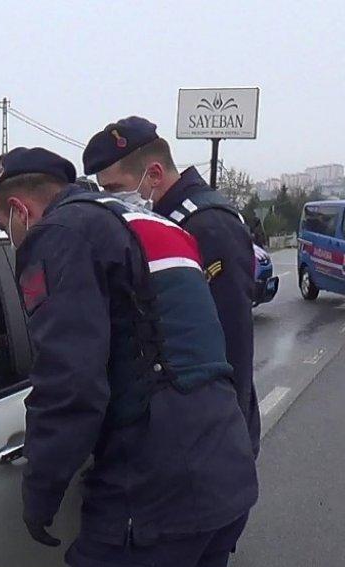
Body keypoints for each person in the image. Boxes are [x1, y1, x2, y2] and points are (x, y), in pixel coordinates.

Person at [0, 147, 257, 567]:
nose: (10, 237)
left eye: (4, 226)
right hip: (224, 469)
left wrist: (41, 492)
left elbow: (71, 385)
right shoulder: (156, 224)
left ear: (20, 209)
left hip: (152, 492)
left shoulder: (60, 235)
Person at [83, 116, 262, 457]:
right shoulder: (160, 221)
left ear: (153, 174)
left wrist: (227, 439)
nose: (110, 200)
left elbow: (232, 340)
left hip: (213, 435)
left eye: (115, 189)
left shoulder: (207, 225)